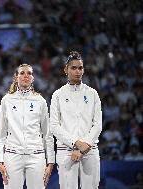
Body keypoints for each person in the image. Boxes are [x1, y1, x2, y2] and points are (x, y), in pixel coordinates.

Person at [0, 64, 55, 189]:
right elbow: (1, 133)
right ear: (16, 77)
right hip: (12, 155)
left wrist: (50, 161)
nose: (25, 76)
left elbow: (47, 134)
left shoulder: (40, 101)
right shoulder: (7, 100)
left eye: (29, 73)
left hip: (36, 155)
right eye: (22, 73)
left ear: (33, 78)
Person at [50, 51, 102, 189]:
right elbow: (54, 126)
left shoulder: (92, 94)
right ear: (65, 69)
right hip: (66, 150)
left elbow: (97, 125)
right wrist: (76, 143)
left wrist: (84, 146)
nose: (77, 71)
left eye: (80, 68)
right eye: (73, 68)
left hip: (90, 150)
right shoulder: (58, 95)